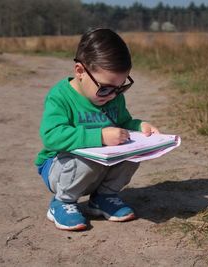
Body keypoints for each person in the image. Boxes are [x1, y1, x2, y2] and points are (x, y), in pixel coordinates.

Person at [35, 28, 159, 231]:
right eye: (106, 88)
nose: (112, 95)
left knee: (133, 152)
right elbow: (51, 137)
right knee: (86, 159)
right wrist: (99, 136)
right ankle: (62, 202)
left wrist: (140, 127)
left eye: (121, 87)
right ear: (80, 71)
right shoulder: (60, 97)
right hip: (59, 167)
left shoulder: (113, 97)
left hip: (100, 166)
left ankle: (103, 197)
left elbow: (124, 122)